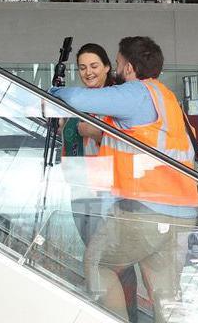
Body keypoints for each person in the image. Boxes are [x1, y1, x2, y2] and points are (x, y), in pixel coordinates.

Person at [50, 36, 198, 323]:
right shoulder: (168, 99)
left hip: (146, 208)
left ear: (128, 67)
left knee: (98, 264)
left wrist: (50, 90)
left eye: (116, 63)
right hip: (180, 210)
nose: (117, 70)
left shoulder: (136, 93)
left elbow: (76, 98)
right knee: (164, 292)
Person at [58, 43, 140, 323]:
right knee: (100, 258)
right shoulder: (78, 100)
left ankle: (123, 315)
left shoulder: (115, 99)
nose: (88, 72)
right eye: (82, 67)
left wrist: (98, 133)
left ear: (107, 67)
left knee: (110, 261)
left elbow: (130, 141)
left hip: (107, 191)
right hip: (80, 188)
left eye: (94, 66)